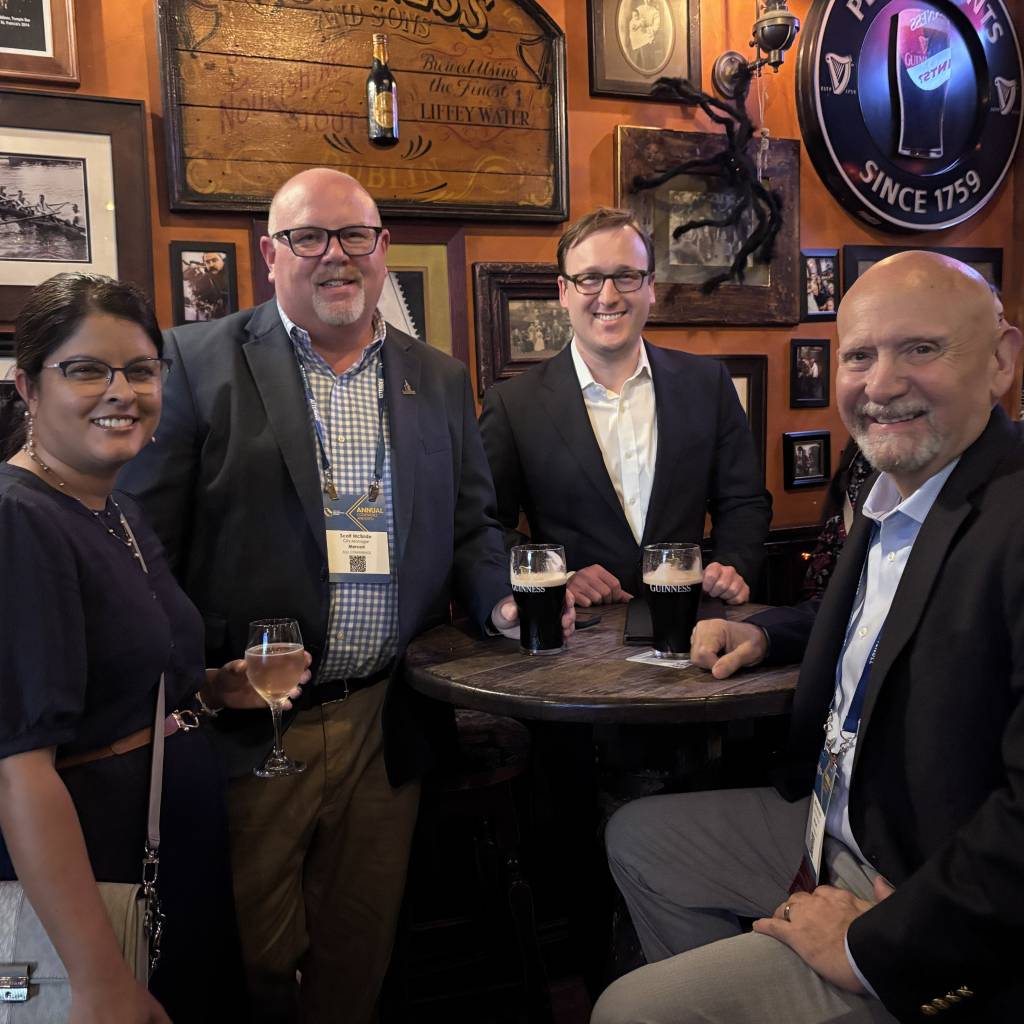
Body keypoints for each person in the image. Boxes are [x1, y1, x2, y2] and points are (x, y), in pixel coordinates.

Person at [118, 167, 570, 1024]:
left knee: (357, 959)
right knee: (249, 963)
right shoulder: (196, 362)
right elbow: (147, 550)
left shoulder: (438, 377)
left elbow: (473, 527)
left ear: (382, 248)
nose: (336, 255)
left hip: (384, 721)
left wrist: (500, 602)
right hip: (251, 727)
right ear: (270, 254)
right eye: (309, 237)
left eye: (355, 235)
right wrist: (191, 686)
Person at [593, 251, 1024, 1023]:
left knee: (631, 1011)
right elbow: (879, 622)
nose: (881, 384)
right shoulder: (893, 489)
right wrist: (766, 635)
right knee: (639, 838)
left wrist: (870, 948)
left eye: (920, 348)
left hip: (923, 882)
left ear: (1000, 360)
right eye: (859, 356)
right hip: (838, 822)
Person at [0, 272, 309, 1022]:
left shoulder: (115, 507)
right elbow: (20, 771)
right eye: (86, 370)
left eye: (141, 370)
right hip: (98, 869)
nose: (122, 391)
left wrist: (216, 685)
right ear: (28, 387)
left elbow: (114, 680)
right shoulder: (19, 520)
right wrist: (97, 978)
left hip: (170, 850)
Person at [480, 207, 771, 608]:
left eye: (626, 276)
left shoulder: (708, 384)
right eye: (589, 278)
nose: (608, 296)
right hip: (579, 627)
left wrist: (733, 565)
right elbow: (485, 526)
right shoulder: (514, 404)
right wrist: (558, 575)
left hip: (691, 620)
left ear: (650, 286)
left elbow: (744, 502)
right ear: (564, 291)